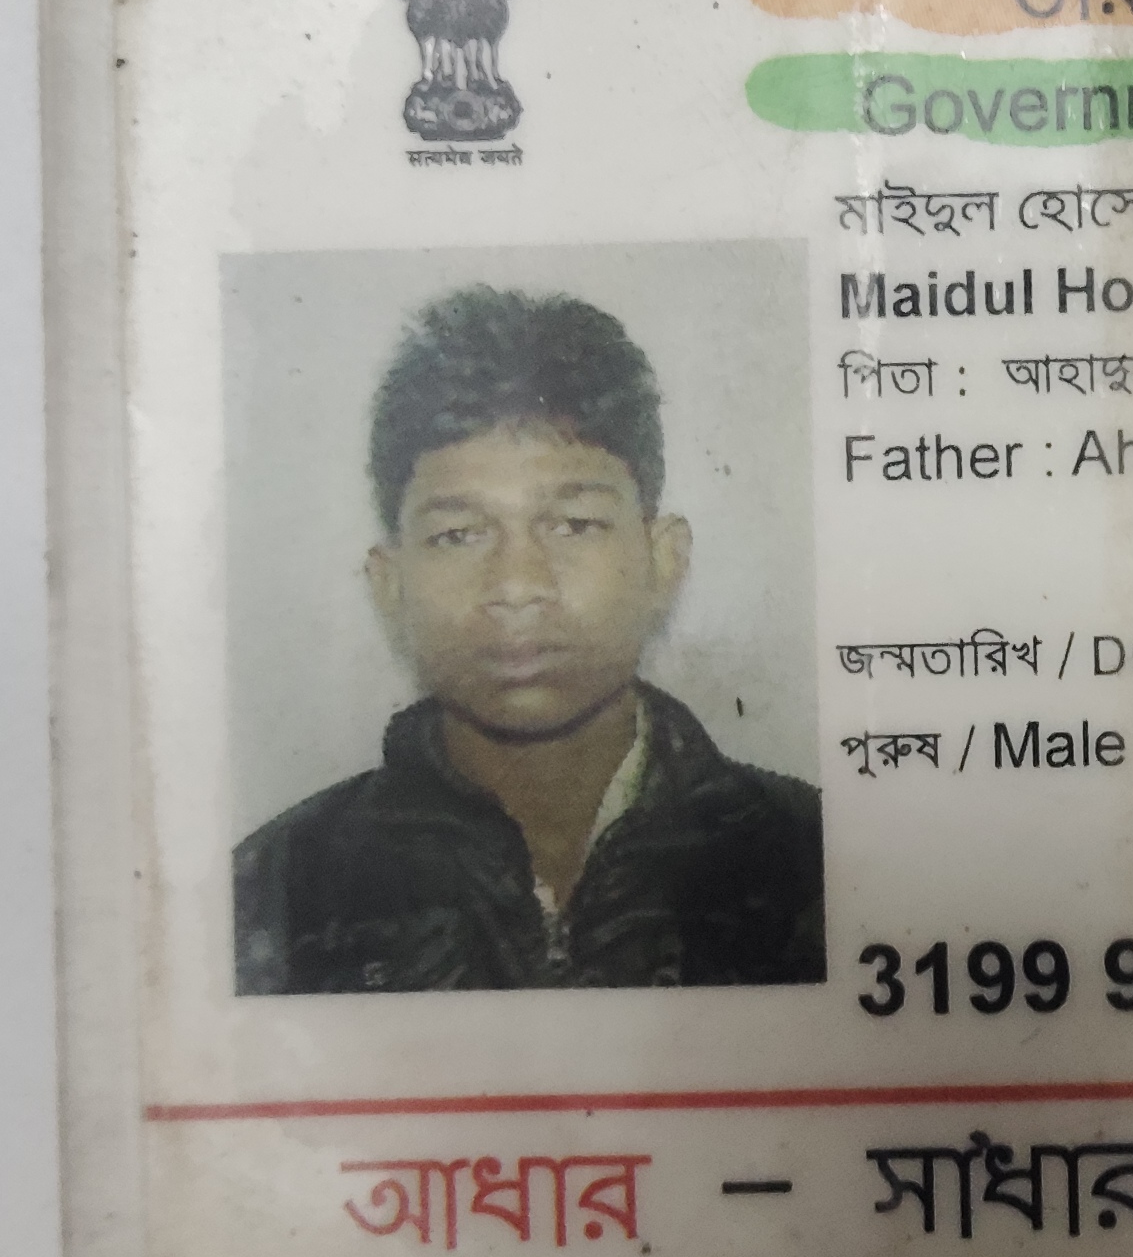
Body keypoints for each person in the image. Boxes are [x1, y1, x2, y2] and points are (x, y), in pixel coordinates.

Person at [235, 285, 824, 993]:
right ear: (390, 585)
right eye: (459, 534)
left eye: (573, 525)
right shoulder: (271, 893)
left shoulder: (821, 865)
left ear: (663, 561)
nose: (517, 585)